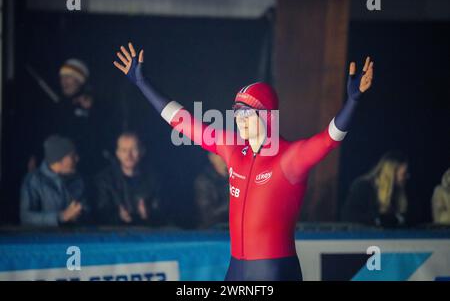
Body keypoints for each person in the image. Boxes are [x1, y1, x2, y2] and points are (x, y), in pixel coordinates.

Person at [113, 42, 374, 281]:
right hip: (236, 268)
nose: (239, 118)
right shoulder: (233, 148)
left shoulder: (289, 158)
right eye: (236, 112)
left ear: (268, 116)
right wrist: (143, 83)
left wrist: (352, 102)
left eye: (247, 112)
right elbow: (184, 122)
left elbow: (329, 139)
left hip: (273, 270)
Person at [95, 132, 163, 226]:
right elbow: (100, 212)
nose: (129, 155)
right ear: (117, 153)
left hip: (148, 233)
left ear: (142, 151)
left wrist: (149, 213)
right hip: (115, 234)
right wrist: (118, 215)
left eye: (133, 149)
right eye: (124, 150)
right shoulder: (105, 180)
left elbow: (163, 211)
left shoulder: (154, 179)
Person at [20, 135, 89, 227]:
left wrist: (80, 212)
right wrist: (61, 217)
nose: (77, 158)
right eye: (72, 156)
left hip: (76, 239)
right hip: (44, 239)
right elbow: (26, 217)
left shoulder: (77, 180)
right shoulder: (34, 181)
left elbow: (86, 207)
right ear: (59, 160)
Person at [341, 152, 409, 227]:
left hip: (388, 237)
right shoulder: (364, 186)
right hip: (364, 236)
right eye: (404, 174)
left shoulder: (398, 192)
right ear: (392, 172)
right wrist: (378, 220)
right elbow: (348, 216)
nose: (407, 177)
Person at [194, 153, 229, 229]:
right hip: (213, 231)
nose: (224, 158)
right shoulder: (203, 181)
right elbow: (207, 216)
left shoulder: (240, 177)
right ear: (211, 158)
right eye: (219, 154)